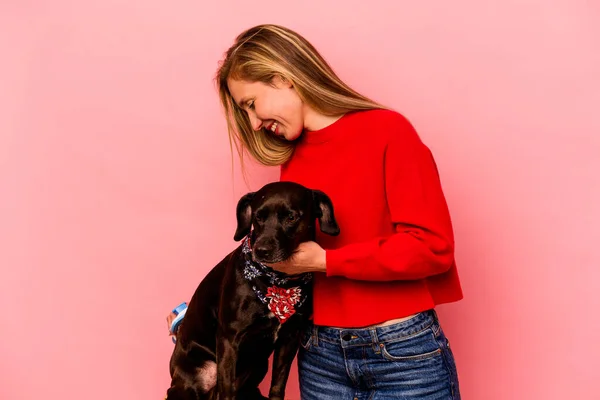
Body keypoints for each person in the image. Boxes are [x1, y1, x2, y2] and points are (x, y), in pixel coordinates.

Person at [166, 24, 463, 399]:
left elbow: (432, 247)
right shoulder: (293, 161)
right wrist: (198, 320)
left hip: (400, 354)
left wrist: (325, 261)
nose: (255, 124)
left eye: (251, 105)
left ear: (282, 78)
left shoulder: (388, 132)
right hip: (319, 355)